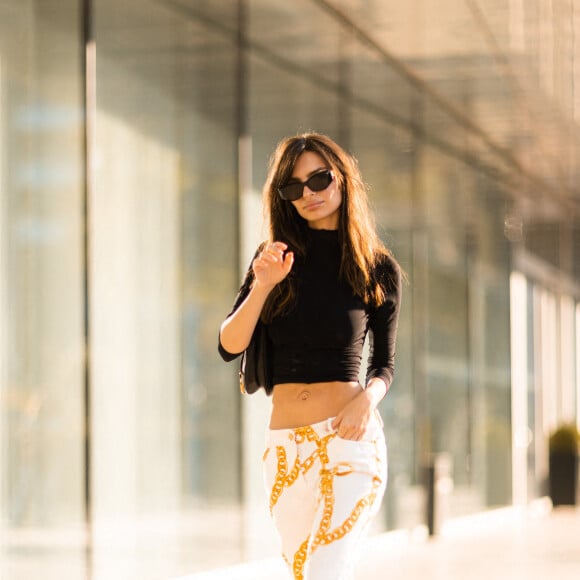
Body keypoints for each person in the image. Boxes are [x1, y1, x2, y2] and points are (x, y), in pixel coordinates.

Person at [218, 132, 402, 580]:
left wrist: (366, 400)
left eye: (318, 179)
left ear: (342, 177)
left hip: (349, 442)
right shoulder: (274, 260)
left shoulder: (375, 266)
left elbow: (384, 365)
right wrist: (263, 284)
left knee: (324, 573)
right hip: (285, 449)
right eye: (293, 187)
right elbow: (229, 345)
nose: (308, 194)